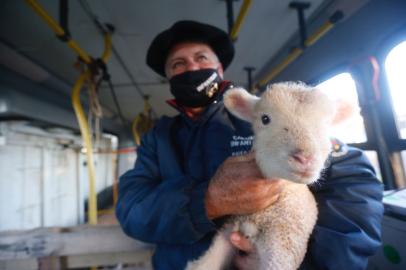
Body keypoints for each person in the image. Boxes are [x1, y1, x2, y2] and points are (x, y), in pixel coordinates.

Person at [116, 20, 384, 270]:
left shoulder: (267, 116)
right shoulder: (157, 137)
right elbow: (131, 208)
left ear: (219, 69)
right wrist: (206, 201)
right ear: (169, 77)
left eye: (201, 58)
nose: (192, 68)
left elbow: (354, 185)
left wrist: (297, 257)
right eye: (178, 64)